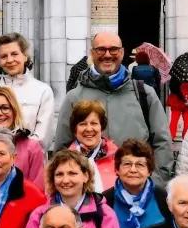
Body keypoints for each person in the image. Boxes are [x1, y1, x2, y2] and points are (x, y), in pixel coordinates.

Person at [53, 30, 173, 181]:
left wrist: (155, 183)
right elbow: (62, 150)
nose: (108, 55)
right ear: (92, 53)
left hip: (136, 191)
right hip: (89, 195)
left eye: (113, 49)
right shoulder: (74, 97)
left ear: (122, 52)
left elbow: (162, 143)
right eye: (101, 49)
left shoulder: (144, 94)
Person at [22, 151, 123, 228]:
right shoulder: (39, 214)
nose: (65, 180)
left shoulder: (104, 214)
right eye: (59, 174)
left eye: (72, 173)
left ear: (85, 176)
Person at [0, 33, 56, 142]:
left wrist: (15, 156)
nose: (9, 60)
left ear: (25, 56)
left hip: (29, 158)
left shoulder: (42, 91)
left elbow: (42, 138)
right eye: (4, 56)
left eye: (14, 54)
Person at [103, 139, 168, 228]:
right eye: (127, 164)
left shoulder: (163, 199)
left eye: (140, 164)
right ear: (117, 169)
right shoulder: (105, 201)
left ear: (149, 171)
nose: (133, 170)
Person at [64, 100, 119, 190]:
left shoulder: (118, 157)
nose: (89, 129)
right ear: (75, 130)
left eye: (94, 123)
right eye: (83, 124)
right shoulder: (64, 161)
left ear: (102, 128)